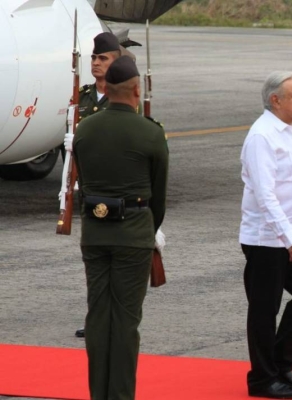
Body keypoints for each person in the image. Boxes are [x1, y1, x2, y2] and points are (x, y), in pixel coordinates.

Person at [72, 55, 169, 400]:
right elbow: (159, 197)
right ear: (136, 89)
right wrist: (145, 229)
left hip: (95, 236)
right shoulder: (151, 133)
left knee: (98, 318)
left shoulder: (85, 129)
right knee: (126, 323)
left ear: (107, 90)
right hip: (134, 236)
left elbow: (83, 183)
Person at [239, 71, 292, 399]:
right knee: (264, 308)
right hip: (268, 239)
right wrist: (290, 237)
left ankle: (281, 361)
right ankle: (262, 379)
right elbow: (265, 195)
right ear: (275, 100)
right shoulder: (262, 136)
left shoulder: (291, 131)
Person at [65, 31, 144, 339]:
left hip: (122, 193)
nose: (97, 63)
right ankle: (98, 319)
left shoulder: (128, 99)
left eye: (104, 58)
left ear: (117, 63)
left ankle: (120, 319)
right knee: (96, 265)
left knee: (121, 263)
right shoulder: (82, 96)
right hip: (90, 192)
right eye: (94, 58)